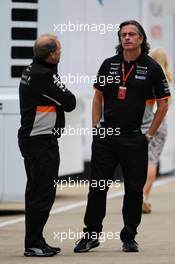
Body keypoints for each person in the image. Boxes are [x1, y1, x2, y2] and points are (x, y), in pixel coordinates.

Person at [74, 20, 170, 253]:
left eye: (131, 34)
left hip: (134, 138)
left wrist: (148, 134)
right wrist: (96, 128)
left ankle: (129, 236)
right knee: (97, 187)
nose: (126, 37)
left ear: (141, 39)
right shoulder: (109, 65)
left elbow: (163, 104)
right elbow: (98, 97)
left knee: (134, 190)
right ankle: (91, 234)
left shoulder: (152, 68)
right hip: (106, 137)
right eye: (123, 34)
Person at [18, 34, 76, 257]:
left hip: (35, 140)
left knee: (36, 192)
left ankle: (36, 239)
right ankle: (33, 243)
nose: (61, 54)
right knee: (42, 193)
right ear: (51, 54)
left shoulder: (32, 70)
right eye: (59, 51)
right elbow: (69, 102)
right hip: (40, 141)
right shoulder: (44, 75)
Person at [142, 47, 173, 213]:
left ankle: (137, 195)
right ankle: (144, 195)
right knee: (152, 160)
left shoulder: (146, 76)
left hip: (145, 121)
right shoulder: (167, 79)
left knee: (140, 160)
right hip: (160, 123)